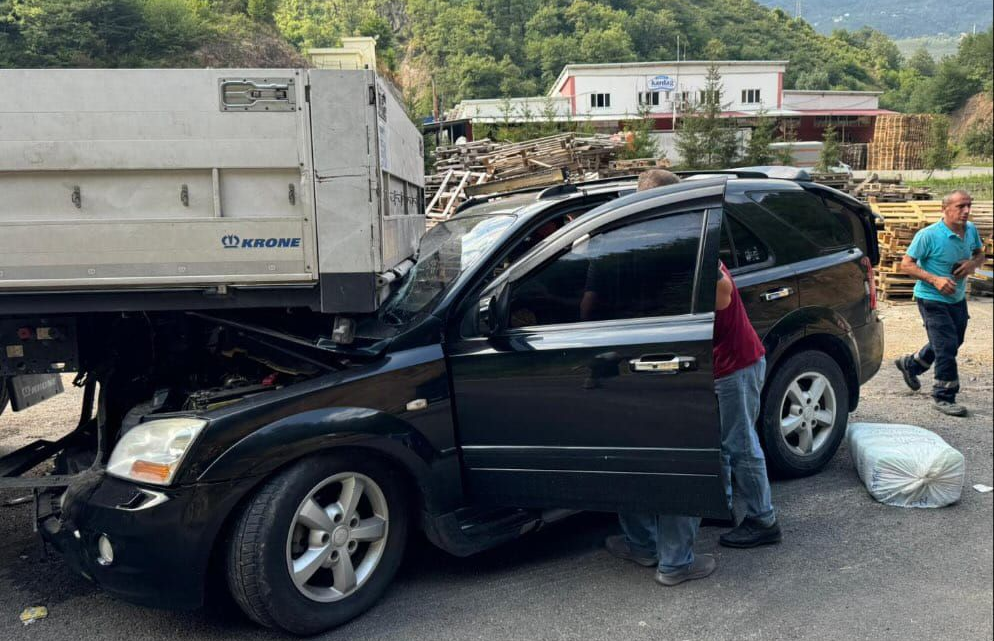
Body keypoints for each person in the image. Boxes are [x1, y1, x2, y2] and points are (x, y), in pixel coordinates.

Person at [605, 169, 781, 586]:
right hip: (707, 363)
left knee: (738, 443)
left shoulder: (690, 236)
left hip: (734, 363)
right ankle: (714, 511)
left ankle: (762, 520)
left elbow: (721, 293)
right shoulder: (667, 238)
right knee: (714, 446)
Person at [895, 189, 984, 417]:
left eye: (968, 206)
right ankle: (944, 395)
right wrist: (935, 280)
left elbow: (980, 255)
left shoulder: (971, 230)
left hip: (957, 298)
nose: (966, 211)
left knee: (954, 341)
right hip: (931, 298)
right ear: (944, 209)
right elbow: (906, 265)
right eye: (960, 206)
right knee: (946, 347)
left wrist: (972, 264)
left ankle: (912, 365)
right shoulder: (928, 235)